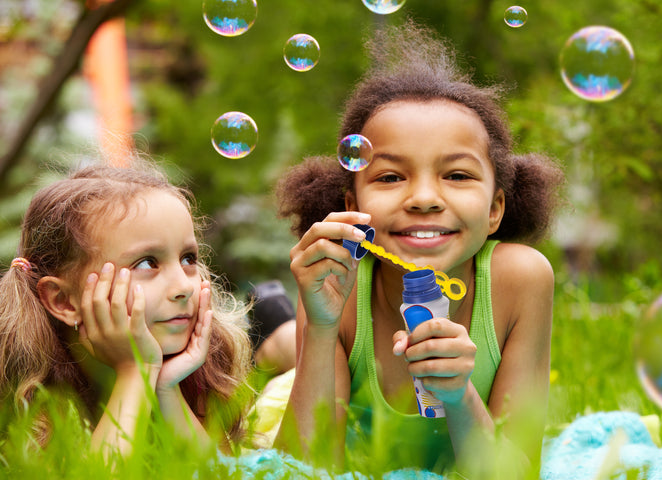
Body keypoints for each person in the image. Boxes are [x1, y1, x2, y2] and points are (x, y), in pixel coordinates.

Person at [274, 22, 564, 474]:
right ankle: (271, 327)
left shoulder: (521, 279)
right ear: (353, 206)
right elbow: (297, 470)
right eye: (390, 177)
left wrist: (459, 394)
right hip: (292, 395)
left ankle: (272, 332)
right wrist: (320, 329)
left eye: (457, 175)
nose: (424, 198)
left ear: (495, 209)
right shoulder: (339, 284)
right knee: (279, 372)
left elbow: (518, 471)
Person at [0, 159, 253, 457]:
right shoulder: (24, 405)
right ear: (63, 301)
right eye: (147, 263)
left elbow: (221, 477)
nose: (184, 287)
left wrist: (167, 388)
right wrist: (136, 371)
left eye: (188, 259)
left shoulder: (197, 373)